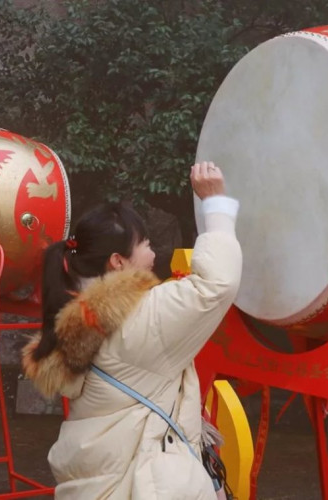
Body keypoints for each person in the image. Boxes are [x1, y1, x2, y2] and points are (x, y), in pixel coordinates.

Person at [22, 162, 242, 499]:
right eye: (146, 245)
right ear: (117, 261)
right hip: (147, 485)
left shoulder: (76, 320)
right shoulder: (137, 319)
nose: (153, 255)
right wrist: (216, 204)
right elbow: (217, 284)